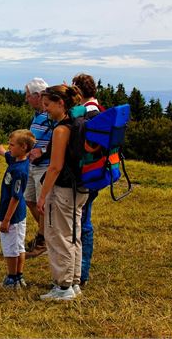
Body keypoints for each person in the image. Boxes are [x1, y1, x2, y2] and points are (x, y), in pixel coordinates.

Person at [36, 85, 89, 301]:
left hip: (64, 189)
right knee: (74, 234)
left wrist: (42, 195)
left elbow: (55, 166)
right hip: (80, 187)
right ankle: (74, 282)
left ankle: (63, 286)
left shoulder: (60, 130)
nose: (45, 109)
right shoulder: (79, 124)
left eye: (47, 105)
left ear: (60, 103)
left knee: (58, 236)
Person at [0, 129, 35, 289]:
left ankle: (11, 279)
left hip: (12, 215)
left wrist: (6, 220)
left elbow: (16, 197)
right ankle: (18, 277)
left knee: (11, 248)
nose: (8, 147)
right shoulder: (16, 160)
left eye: (12, 145)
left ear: (23, 147)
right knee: (19, 246)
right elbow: (2, 151)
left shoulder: (20, 170)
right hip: (18, 215)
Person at [72, 73, 104, 288]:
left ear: (79, 91)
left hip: (86, 174)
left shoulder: (88, 113)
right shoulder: (98, 109)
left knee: (82, 224)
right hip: (97, 172)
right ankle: (81, 271)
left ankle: (81, 273)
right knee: (85, 221)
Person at [23, 78, 54, 258]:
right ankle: (47, 234)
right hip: (31, 166)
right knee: (29, 200)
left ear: (38, 95)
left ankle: (43, 241)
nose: (26, 99)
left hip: (44, 167)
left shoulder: (51, 116)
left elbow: (58, 140)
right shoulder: (37, 114)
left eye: (28, 96)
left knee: (42, 205)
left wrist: (42, 151)